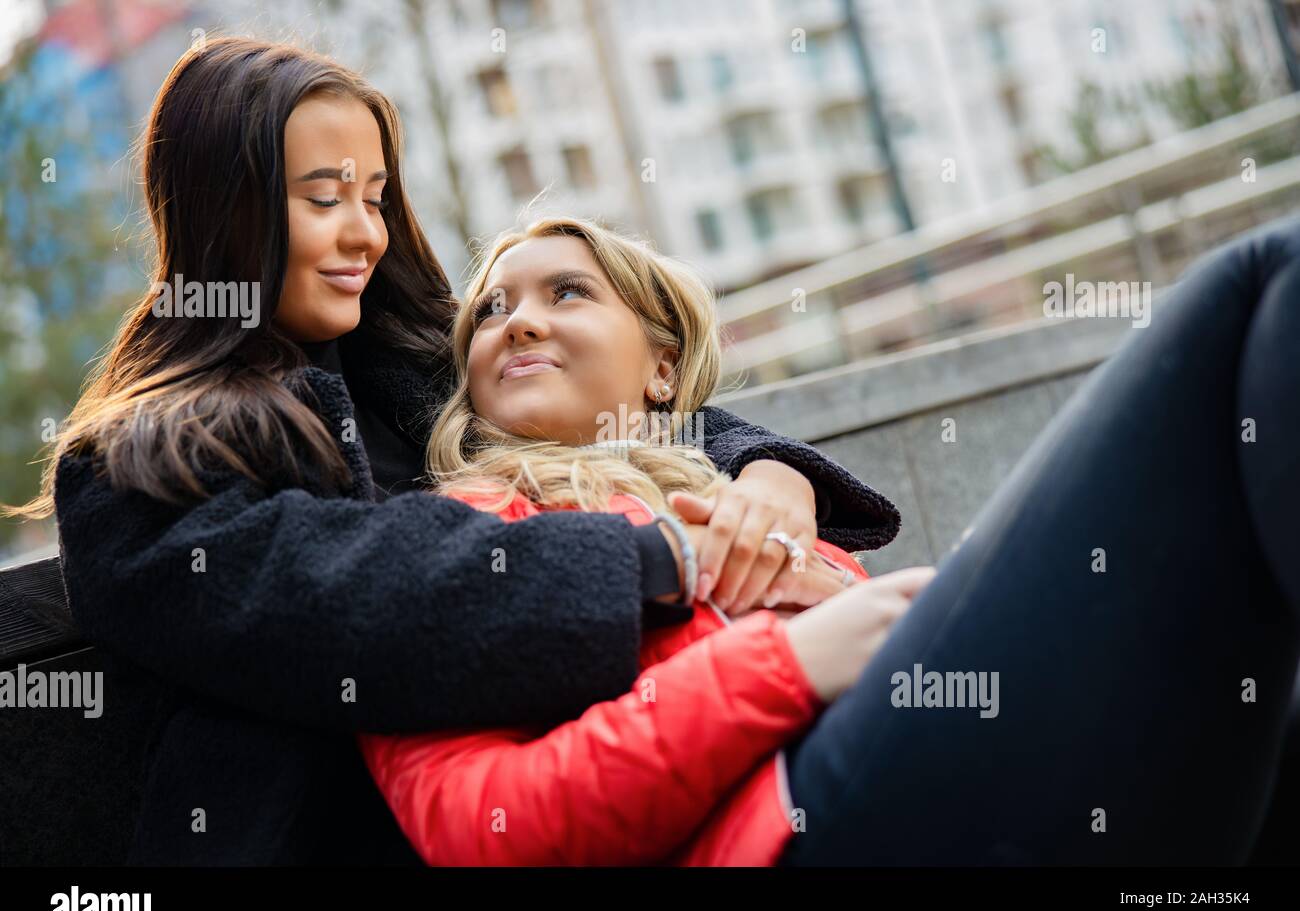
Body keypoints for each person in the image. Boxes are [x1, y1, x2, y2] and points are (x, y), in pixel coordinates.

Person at [0, 38, 898, 864]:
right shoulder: (136, 462)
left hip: (617, 793)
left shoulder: (414, 367)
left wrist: (770, 474)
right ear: (222, 210)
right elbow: (345, 593)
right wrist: (655, 560)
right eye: (324, 198)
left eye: (376, 196)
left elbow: (614, 415)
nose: (364, 233)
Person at [364, 212, 1300, 866]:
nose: (518, 318)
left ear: (662, 370)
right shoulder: (443, 537)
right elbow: (478, 821)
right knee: (1264, 287)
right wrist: (786, 664)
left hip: (934, 762)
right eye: (491, 309)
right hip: (790, 830)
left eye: (568, 291)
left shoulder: (745, 489)